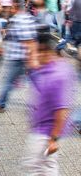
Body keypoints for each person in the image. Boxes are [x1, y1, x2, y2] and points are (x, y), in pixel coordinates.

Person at [24, 30, 76, 175]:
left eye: (34, 52)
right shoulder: (53, 67)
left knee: (34, 169)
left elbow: (61, 110)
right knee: (47, 168)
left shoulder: (57, 76)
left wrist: (53, 139)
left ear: (44, 51)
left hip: (45, 134)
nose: (31, 56)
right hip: (43, 130)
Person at [0, 0, 37, 113]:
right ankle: (44, 103)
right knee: (33, 81)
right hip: (19, 57)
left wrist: (31, 60)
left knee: (8, 81)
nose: (7, 9)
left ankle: (0, 104)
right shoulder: (23, 17)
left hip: (19, 58)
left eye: (10, 7)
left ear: (15, 7)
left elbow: (29, 41)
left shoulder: (21, 20)